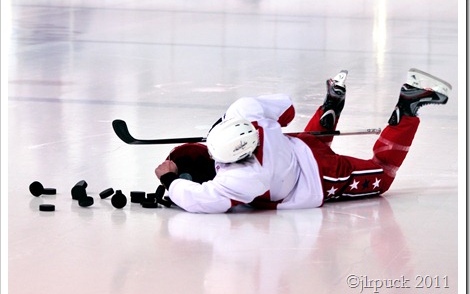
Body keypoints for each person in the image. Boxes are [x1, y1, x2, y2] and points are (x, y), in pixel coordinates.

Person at [155, 69, 450, 213]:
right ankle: (332, 101)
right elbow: (287, 109)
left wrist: (171, 181)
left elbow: (200, 200)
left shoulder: (241, 178)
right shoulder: (243, 110)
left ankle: (409, 106)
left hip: (319, 177)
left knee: (382, 175)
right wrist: (225, 123)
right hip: (300, 144)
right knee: (313, 140)